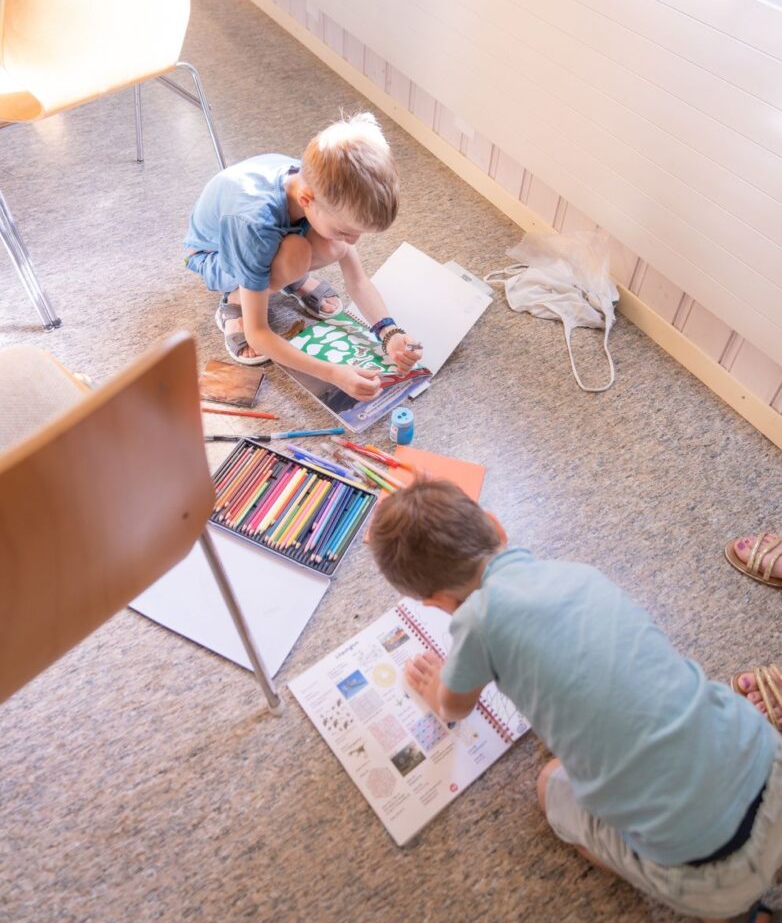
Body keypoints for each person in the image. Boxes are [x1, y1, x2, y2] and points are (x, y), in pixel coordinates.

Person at [368, 479, 782, 922]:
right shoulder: (579, 573)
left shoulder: (475, 619)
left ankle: (740, 913)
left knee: (551, 783)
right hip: (769, 764)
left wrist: (437, 691)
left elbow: (454, 707)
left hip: (707, 873)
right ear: (496, 525)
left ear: (435, 602)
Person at [184, 111, 421, 399]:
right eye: (346, 229)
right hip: (214, 255)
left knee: (334, 246)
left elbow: (357, 281)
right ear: (307, 201)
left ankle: (287, 277)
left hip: (266, 234)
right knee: (296, 253)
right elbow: (258, 333)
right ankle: (235, 301)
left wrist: (389, 333)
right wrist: (334, 373)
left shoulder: (319, 186)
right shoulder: (253, 223)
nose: (354, 241)